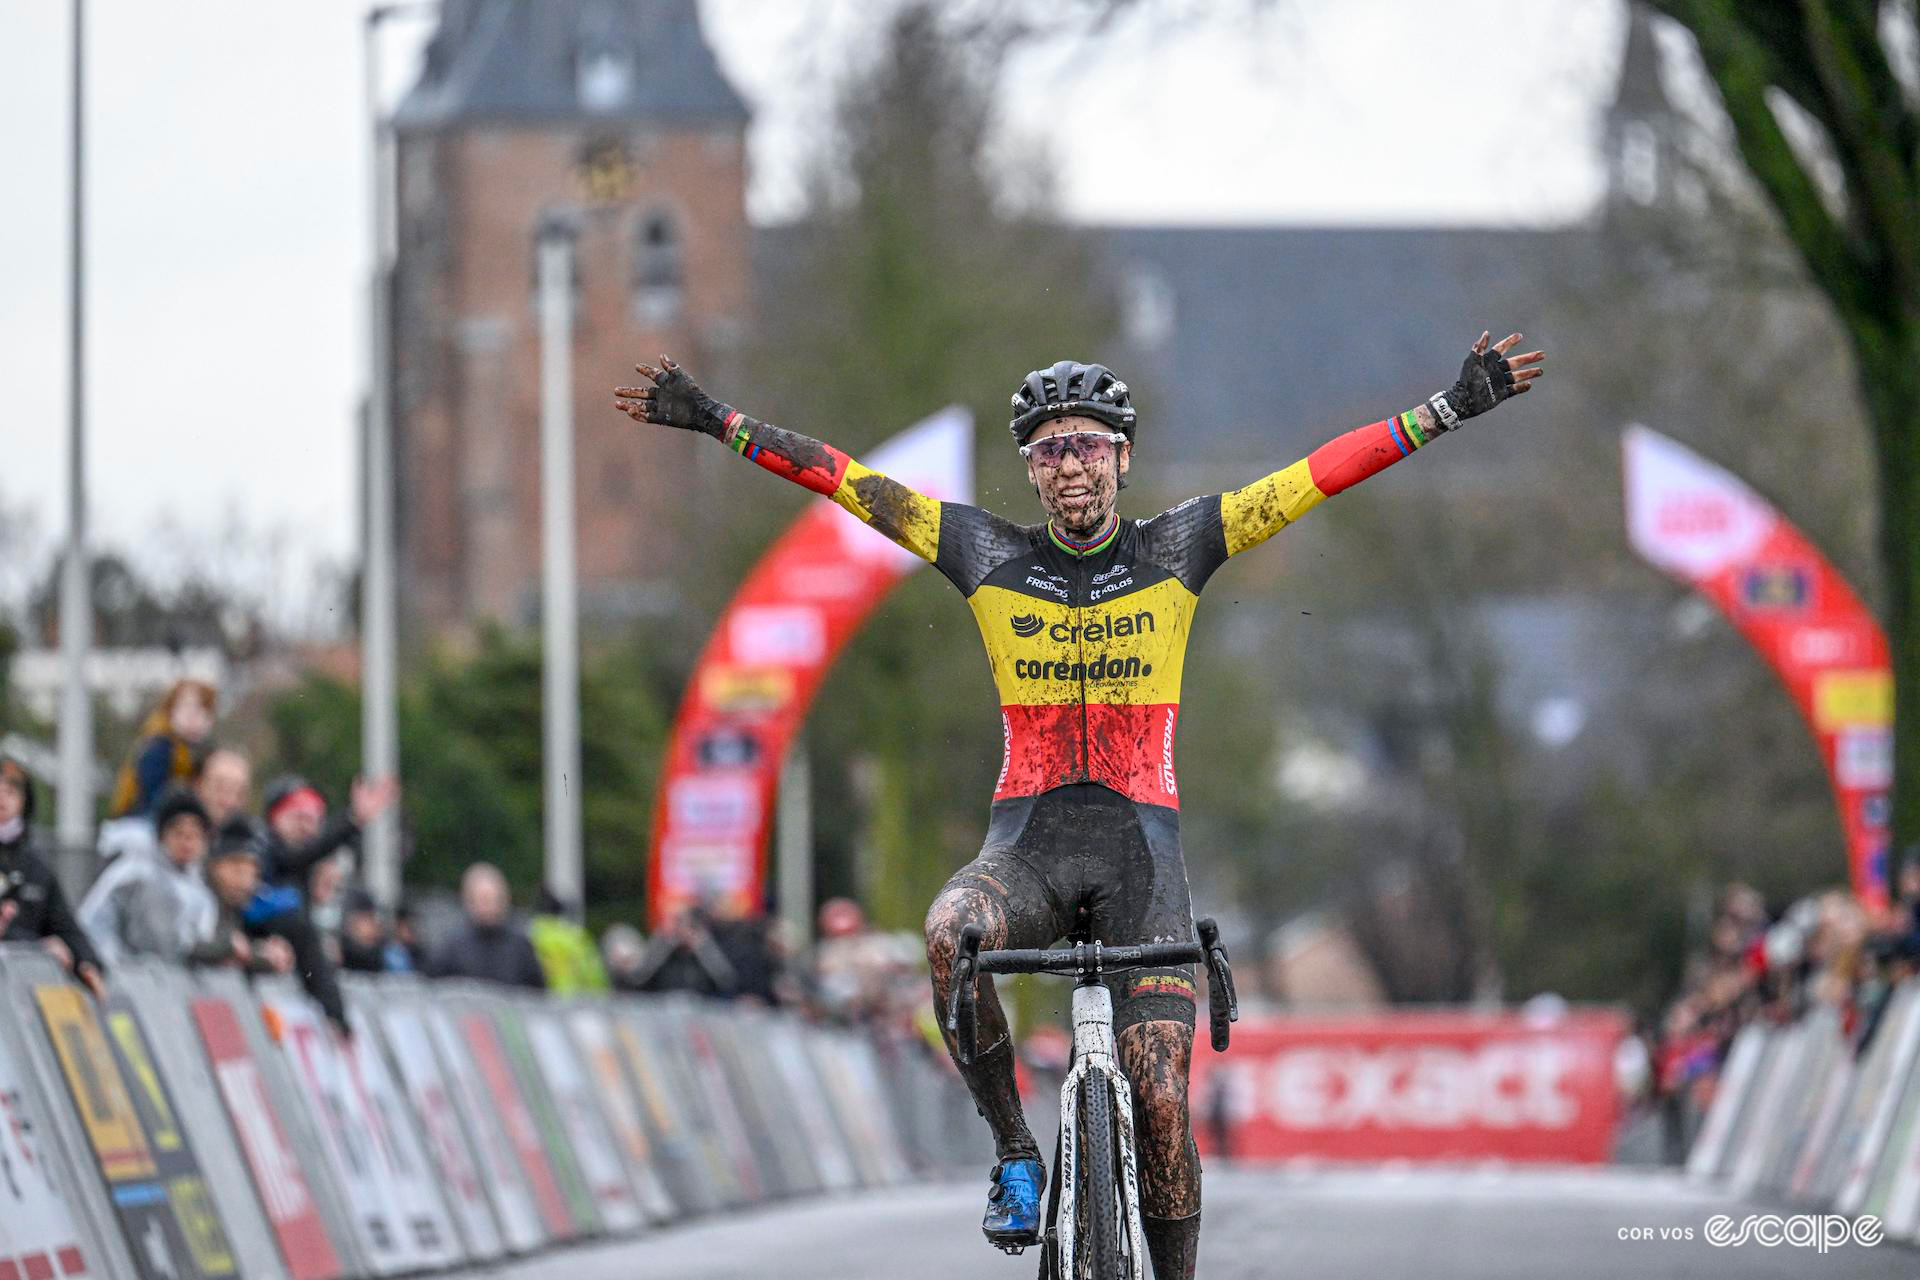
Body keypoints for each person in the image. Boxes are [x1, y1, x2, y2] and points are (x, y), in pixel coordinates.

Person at [614, 332, 1545, 1277]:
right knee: (949, 933)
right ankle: (1016, 1151)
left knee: (1163, 1103)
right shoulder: (979, 549)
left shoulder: (1184, 543)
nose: (1070, 465)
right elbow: (848, 482)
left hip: (1146, 861)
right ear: (1029, 465)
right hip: (1029, 850)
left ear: (1123, 458)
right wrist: (718, 421)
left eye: (1089, 445)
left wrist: (1449, 407)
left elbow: (1313, 477)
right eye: (1051, 448)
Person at [0, 754, 107, 998]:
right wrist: (36, 948)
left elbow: (65, 924)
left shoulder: (35, 868)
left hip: (21, 999)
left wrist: (87, 962)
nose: (2, 798)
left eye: (11, 791)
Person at [77, 785, 217, 965]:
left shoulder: (202, 894)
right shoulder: (133, 872)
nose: (187, 843)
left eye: (194, 835)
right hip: (125, 978)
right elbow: (94, 921)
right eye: (179, 834)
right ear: (162, 835)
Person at [189, 821, 298, 979]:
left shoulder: (235, 909)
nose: (245, 882)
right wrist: (235, 948)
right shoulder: (197, 898)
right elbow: (186, 947)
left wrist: (265, 956)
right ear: (213, 866)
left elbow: (237, 953)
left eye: (252, 873)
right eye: (237, 869)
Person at [108, 679, 217, 819]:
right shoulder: (158, 747)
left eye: (202, 709)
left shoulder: (204, 752)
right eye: (186, 707)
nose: (193, 716)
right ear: (170, 711)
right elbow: (154, 800)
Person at [425, 863, 546, 989]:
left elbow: (537, 992)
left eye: (495, 899)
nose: (490, 906)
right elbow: (433, 988)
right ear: (469, 900)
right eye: (484, 899)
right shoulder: (451, 946)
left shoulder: (520, 945)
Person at [528, 886, 610, 994]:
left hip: (538, 1001)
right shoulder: (575, 936)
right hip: (577, 1001)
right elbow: (594, 974)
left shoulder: (531, 934)